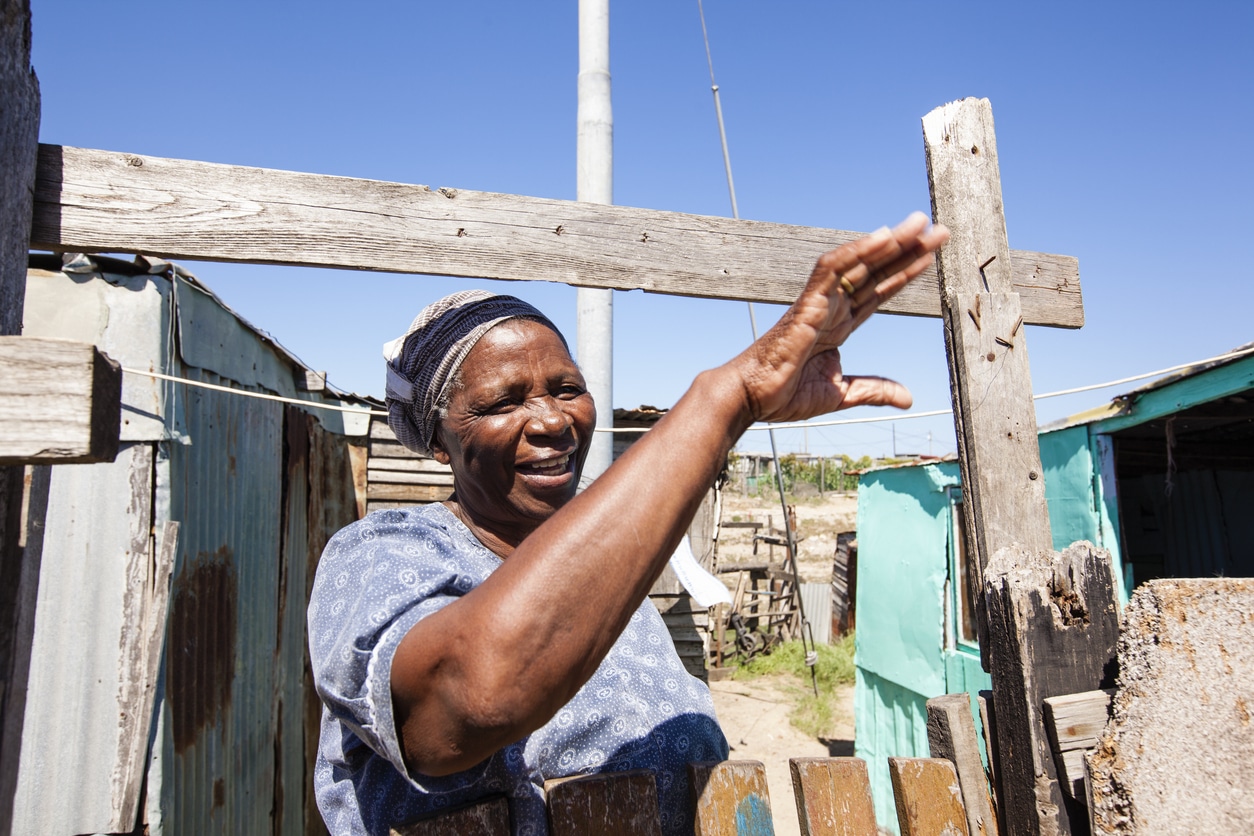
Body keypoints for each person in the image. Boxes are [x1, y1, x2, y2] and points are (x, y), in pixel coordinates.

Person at [308, 212, 950, 835]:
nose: (553, 420)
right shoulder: (384, 553)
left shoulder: (609, 573)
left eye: (566, 388)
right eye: (504, 401)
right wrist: (727, 399)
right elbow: (470, 697)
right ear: (440, 440)